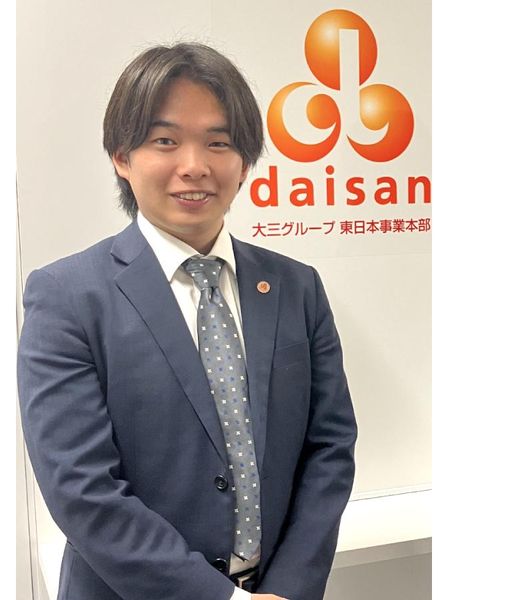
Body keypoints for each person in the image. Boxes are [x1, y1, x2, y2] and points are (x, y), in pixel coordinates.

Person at [18, 42, 357, 600]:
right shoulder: (67, 296)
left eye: (218, 142)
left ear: (244, 162)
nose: (195, 165)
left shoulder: (296, 286)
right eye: (165, 141)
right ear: (122, 157)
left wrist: (289, 588)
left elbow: (330, 447)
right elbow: (81, 489)